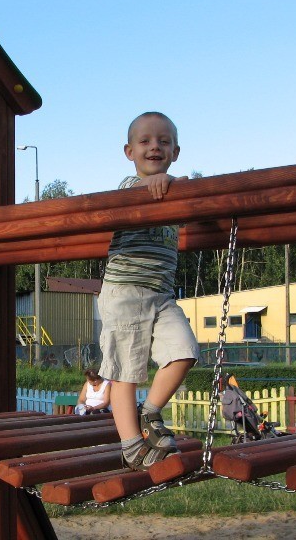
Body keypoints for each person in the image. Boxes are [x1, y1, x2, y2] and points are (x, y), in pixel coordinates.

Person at [97, 111, 199, 471]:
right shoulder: (130, 188)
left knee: (184, 351)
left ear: (176, 150)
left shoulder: (174, 193)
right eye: (145, 141)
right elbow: (136, 193)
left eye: (164, 141)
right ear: (129, 152)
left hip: (162, 294)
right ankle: (130, 447)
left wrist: (192, 193)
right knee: (125, 371)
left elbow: (198, 210)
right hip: (125, 292)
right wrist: (162, 184)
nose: (155, 146)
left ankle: (150, 411)